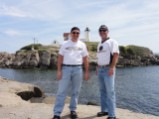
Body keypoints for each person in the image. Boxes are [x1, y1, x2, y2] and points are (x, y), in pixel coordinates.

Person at [53, 27, 89, 119]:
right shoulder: (65, 44)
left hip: (78, 69)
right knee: (61, 91)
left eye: (78, 33)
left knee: (75, 91)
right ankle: (57, 113)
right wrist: (59, 71)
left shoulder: (82, 45)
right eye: (74, 32)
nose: (76, 34)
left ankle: (73, 110)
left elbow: (85, 58)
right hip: (65, 68)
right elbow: (60, 58)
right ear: (70, 33)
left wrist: (86, 72)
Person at [96, 25, 119, 119]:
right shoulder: (99, 44)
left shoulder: (112, 42)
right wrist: (97, 67)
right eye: (100, 30)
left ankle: (112, 115)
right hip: (100, 69)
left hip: (108, 69)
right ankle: (105, 110)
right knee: (102, 91)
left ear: (107, 31)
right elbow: (100, 57)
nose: (102, 32)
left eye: (104, 30)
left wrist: (112, 68)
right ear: (99, 32)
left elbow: (116, 54)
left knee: (110, 92)